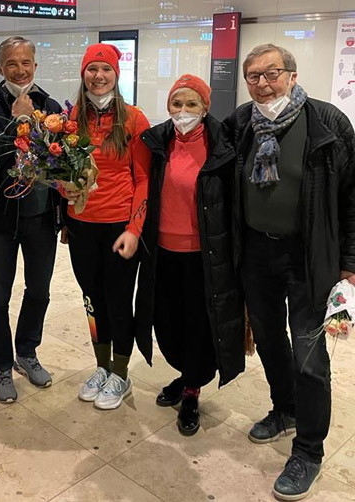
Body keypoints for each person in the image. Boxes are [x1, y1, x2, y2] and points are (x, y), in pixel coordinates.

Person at [225, 43, 355, 501]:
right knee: (269, 340)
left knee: (310, 355)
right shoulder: (241, 123)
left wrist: (350, 264)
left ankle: (309, 450)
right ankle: (285, 410)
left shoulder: (329, 123)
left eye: (272, 73)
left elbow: (352, 199)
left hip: (309, 257)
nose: (262, 83)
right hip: (256, 254)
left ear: (292, 76)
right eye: (253, 76)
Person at [134, 75, 245, 433]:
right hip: (162, 252)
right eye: (176, 104)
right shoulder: (157, 142)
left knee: (199, 325)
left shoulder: (223, 148)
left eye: (191, 104)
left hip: (204, 256)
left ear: (206, 108)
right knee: (167, 322)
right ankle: (184, 374)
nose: (183, 112)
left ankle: (193, 389)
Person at [0, 36, 62, 403]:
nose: (19, 70)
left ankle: (27, 351)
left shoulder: (52, 107)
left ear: (35, 66)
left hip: (41, 216)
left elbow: (62, 163)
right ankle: (2, 366)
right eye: (11, 64)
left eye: (25, 63)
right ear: (0, 68)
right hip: (0, 221)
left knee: (39, 290)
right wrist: (15, 124)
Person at [59, 43, 151, 410]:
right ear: (83, 75)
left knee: (117, 302)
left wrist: (135, 229)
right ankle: (101, 365)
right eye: (92, 69)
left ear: (116, 75)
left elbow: (143, 179)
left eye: (106, 70)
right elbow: (61, 174)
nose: (98, 76)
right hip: (82, 226)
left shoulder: (133, 119)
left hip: (119, 227)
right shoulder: (70, 120)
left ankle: (121, 373)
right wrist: (66, 213)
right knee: (92, 301)